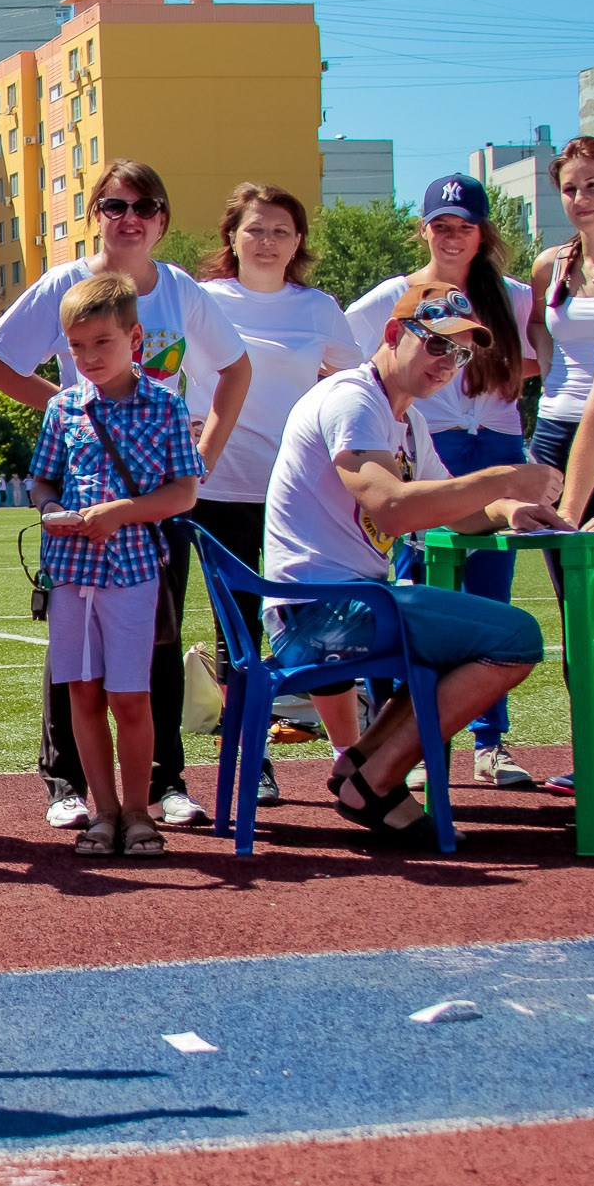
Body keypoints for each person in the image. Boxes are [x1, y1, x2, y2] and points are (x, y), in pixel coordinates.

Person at [0, 159, 251, 833]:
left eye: (144, 205)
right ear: (95, 213)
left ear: (162, 219)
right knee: (73, 660)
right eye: (114, 204)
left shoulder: (180, 289)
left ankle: (164, 782)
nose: (129, 217)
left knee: (157, 641)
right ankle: (68, 782)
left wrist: (205, 457)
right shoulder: (65, 283)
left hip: (153, 504)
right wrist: (79, 408)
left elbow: (236, 368)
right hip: (81, 506)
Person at [266, 284, 559, 843]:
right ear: (394, 334)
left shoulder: (403, 417)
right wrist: (502, 477)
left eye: (460, 353)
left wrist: (509, 509)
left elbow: (452, 508)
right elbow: (394, 509)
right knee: (516, 637)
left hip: (334, 605)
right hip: (321, 610)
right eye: (437, 344)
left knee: (473, 640)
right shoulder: (354, 400)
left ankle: (361, 769)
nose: (448, 363)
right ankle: (374, 780)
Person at [345, 174, 541, 791]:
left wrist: (502, 372)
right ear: (424, 230)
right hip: (433, 444)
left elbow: (544, 356)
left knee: (491, 596)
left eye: (465, 226)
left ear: (483, 234)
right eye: (441, 225)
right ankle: (405, 741)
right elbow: (343, 345)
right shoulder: (396, 295)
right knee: (419, 586)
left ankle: (489, 742)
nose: (453, 237)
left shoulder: (512, 295)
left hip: (497, 440)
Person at [188, 183, 364, 796]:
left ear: (298, 243)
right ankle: (249, 756)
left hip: (301, 494)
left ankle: (352, 759)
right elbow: (159, 364)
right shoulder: (203, 300)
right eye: (255, 229)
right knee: (236, 630)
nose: (267, 242)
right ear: (232, 237)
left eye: (280, 231)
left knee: (319, 620)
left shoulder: (318, 308)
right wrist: (182, 424)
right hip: (220, 486)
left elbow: (357, 381)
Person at [28, 276, 204, 859]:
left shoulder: (166, 406)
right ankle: (103, 812)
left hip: (133, 573)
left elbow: (183, 492)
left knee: (131, 698)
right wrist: (50, 510)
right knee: (83, 695)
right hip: (70, 573)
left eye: (101, 342)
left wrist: (122, 512)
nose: (88, 357)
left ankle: (137, 812)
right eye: (77, 347)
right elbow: (42, 480)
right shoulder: (62, 407)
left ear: (135, 339)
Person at [529, 137, 594, 800]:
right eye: (569, 188)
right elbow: (539, 341)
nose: (580, 199)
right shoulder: (552, 266)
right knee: (575, 608)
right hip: (555, 435)